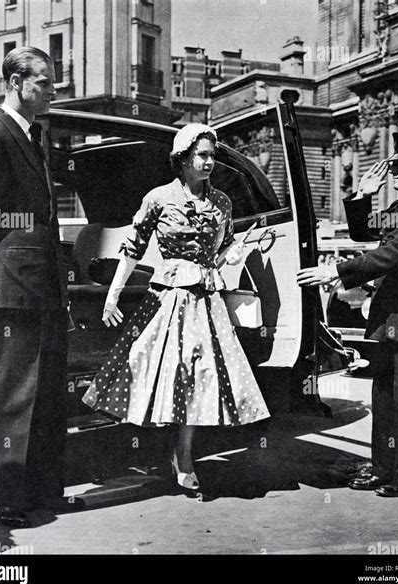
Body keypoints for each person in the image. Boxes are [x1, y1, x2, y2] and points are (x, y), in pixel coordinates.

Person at [83, 123, 270, 493]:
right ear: (182, 158)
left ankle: (184, 455)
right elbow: (133, 248)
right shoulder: (158, 198)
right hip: (167, 299)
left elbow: (222, 251)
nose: (209, 162)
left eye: (212, 155)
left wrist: (236, 253)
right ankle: (149, 451)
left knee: (201, 377)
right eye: (201, 154)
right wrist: (113, 294)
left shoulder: (222, 202)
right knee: (160, 374)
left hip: (206, 300)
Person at [0, 47, 81, 527]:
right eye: (45, 82)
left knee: (48, 396)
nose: (53, 90)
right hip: (11, 288)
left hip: (43, 288)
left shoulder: (35, 135)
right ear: (15, 82)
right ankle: (8, 498)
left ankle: (45, 491)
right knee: (10, 397)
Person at [297, 132, 398, 497]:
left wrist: (335, 272)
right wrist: (363, 196)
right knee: (385, 396)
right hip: (393, 314)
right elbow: (364, 231)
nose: (390, 168)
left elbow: (388, 257)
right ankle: (383, 467)